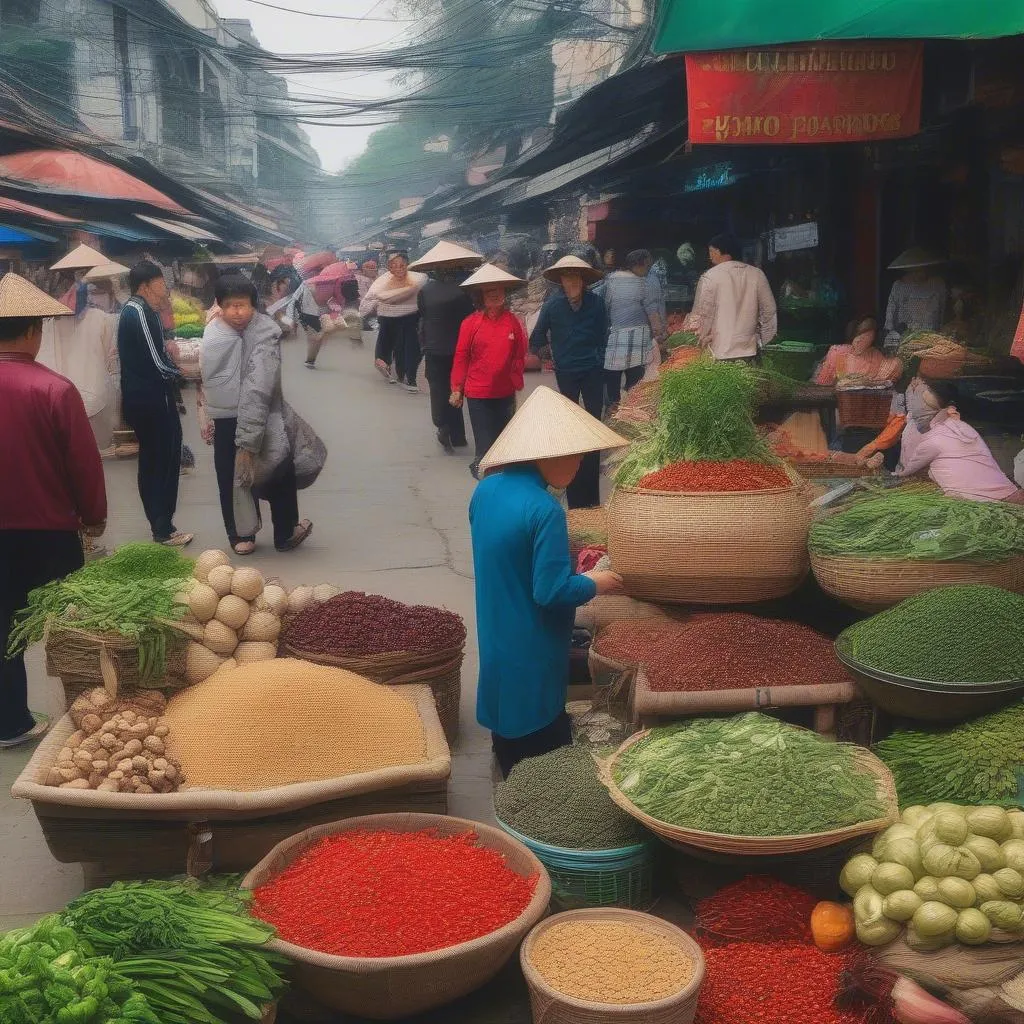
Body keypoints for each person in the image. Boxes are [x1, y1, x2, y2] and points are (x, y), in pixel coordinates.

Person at [469, 385, 628, 776]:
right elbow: (550, 591)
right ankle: (529, 804)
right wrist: (595, 582)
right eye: (575, 455)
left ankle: (507, 777)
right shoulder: (545, 509)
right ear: (548, 454)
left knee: (506, 718)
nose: (579, 465)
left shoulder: (486, 491)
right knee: (539, 733)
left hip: (496, 627)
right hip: (532, 639)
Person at [0, 274, 107, 747]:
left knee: (2, 629)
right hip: (48, 535)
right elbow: (83, 467)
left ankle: (10, 723)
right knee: (71, 628)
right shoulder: (55, 390)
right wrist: (94, 517)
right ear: (32, 333)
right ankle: (88, 717)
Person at [201, 275, 314, 554]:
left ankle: (283, 533)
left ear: (253, 305)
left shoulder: (265, 333)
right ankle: (241, 535)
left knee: (277, 471)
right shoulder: (213, 333)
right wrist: (205, 413)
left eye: (242, 305)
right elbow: (205, 378)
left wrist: (249, 437)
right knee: (232, 475)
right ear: (219, 306)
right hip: (226, 416)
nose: (236, 312)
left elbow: (259, 385)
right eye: (229, 306)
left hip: (265, 413)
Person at [118, 261, 192, 546]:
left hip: (146, 397)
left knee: (158, 458)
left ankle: (161, 523)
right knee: (162, 458)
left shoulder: (141, 311)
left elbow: (155, 350)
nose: (165, 287)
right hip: (150, 399)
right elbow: (155, 360)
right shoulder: (138, 311)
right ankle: (163, 528)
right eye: (161, 282)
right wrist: (184, 374)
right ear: (145, 285)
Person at [529, 255, 608, 508]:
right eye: (567, 277)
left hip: (593, 370)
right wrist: (551, 357)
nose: (572, 282)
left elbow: (603, 333)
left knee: (594, 427)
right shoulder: (553, 306)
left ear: (583, 281)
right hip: (566, 373)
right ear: (561, 281)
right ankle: (573, 493)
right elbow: (537, 338)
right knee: (572, 430)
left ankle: (591, 498)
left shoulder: (596, 303)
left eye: (576, 277)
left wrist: (598, 356)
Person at [450, 263, 528, 479]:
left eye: (498, 290)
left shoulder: (513, 323)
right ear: (481, 296)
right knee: (485, 448)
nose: (494, 295)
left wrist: (515, 380)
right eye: (489, 291)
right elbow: (461, 357)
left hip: (504, 394)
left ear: (505, 292)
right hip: (478, 394)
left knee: (504, 446)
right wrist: (457, 388)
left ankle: (502, 485)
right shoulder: (470, 323)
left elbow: (520, 355)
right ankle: (484, 481)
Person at [891, 379, 1021, 502]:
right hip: (1005, 490)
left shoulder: (932, 440)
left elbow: (907, 471)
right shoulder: (965, 428)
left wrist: (891, 477)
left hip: (974, 499)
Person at [409, 241, 482, 453]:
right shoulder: (469, 288)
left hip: (435, 347)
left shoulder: (426, 290)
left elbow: (423, 316)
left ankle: (444, 426)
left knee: (440, 390)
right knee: (460, 389)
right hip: (465, 348)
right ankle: (458, 435)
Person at [37, 280, 119, 451]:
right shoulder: (101, 318)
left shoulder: (51, 321)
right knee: (89, 449)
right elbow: (108, 353)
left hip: (61, 393)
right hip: (94, 393)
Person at [595, 249, 667, 409]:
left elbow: (606, 306)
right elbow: (652, 310)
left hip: (616, 335)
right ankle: (631, 409)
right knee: (634, 378)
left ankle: (612, 408)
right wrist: (659, 333)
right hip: (637, 338)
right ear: (639, 265)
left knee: (612, 374)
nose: (648, 270)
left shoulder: (612, 280)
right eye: (647, 266)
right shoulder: (644, 283)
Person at [691, 232, 777, 361]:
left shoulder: (710, 276)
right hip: (750, 350)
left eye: (711, 251)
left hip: (719, 351)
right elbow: (769, 311)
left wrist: (702, 338)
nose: (710, 256)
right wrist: (762, 341)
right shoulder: (757, 274)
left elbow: (703, 314)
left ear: (719, 252)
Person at [360, 250, 426, 392]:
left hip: (398, 316)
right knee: (399, 345)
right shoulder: (417, 279)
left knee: (398, 344)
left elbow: (371, 298)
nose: (398, 268)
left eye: (401, 265)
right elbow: (371, 298)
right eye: (394, 265)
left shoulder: (413, 279)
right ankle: (401, 375)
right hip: (398, 317)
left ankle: (400, 372)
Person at [883, 248, 947, 350]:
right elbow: (890, 312)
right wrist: (889, 331)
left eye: (922, 270)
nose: (919, 274)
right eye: (915, 271)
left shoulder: (937, 285)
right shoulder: (899, 286)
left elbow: (942, 311)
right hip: (905, 336)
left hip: (931, 337)